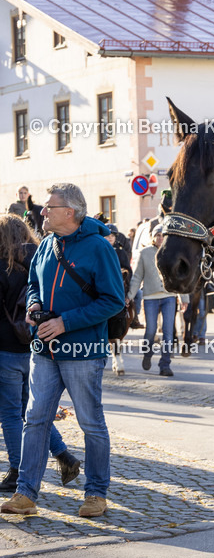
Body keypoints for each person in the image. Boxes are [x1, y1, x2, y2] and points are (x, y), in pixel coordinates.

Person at [0, 183, 125, 518]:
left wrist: (65, 323)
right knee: (35, 420)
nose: (42, 211)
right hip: (43, 350)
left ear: (69, 212)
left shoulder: (98, 247)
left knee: (90, 423)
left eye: (49, 207)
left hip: (83, 351)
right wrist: (34, 305)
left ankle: (96, 494)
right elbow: (33, 285)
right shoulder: (46, 245)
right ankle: (26, 493)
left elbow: (113, 300)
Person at [0, 216, 80, 493]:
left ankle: (16, 472)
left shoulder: (3, 268)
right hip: (31, 348)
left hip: (5, 350)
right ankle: (64, 457)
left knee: (11, 414)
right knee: (31, 413)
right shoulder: (40, 263)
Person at [128, 227, 186, 375]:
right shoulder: (144, 253)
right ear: (152, 237)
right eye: (157, 235)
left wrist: (184, 298)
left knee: (168, 332)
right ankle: (147, 354)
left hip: (169, 297)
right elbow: (136, 277)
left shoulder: (172, 253)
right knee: (151, 330)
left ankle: (165, 365)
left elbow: (180, 276)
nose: (160, 238)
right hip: (150, 298)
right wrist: (129, 296)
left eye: (163, 236)